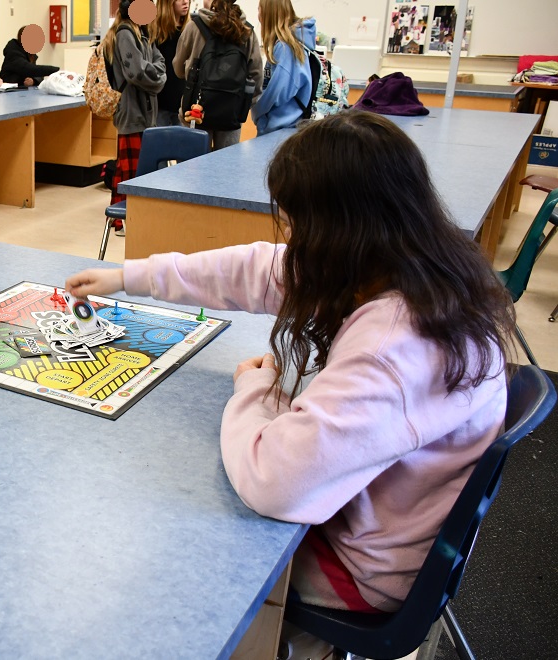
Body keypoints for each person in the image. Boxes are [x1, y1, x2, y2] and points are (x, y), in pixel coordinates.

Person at [66, 112, 515, 631]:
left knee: (161, 545)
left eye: (298, 221)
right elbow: (257, 269)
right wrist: (128, 276)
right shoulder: (416, 265)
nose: (290, 234)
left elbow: (273, 481)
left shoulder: (395, 347)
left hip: (362, 571)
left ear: (339, 228)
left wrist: (257, 391)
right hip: (388, 519)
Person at [104, 0, 166, 234]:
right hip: (131, 113)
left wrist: (155, 78)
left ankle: (130, 218)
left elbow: (160, 64)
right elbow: (136, 72)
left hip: (145, 114)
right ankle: (120, 220)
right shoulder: (125, 34)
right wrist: (156, 81)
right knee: (129, 172)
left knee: (136, 170)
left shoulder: (143, 34)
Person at [173, 0, 263, 149]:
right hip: (231, 114)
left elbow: (178, 69)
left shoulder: (194, 27)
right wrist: (242, 104)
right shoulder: (247, 31)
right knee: (225, 168)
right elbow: (256, 77)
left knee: (191, 168)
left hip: (195, 112)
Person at [251, 0, 314, 135]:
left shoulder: (285, 48)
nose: (258, 16)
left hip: (281, 129)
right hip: (289, 127)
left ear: (269, 13)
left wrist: (257, 110)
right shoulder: (295, 42)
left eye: (259, 9)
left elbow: (276, 93)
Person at [149, 0, 190, 127]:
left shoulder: (191, 29)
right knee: (161, 145)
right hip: (160, 103)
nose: (186, 2)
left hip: (183, 104)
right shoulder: (154, 30)